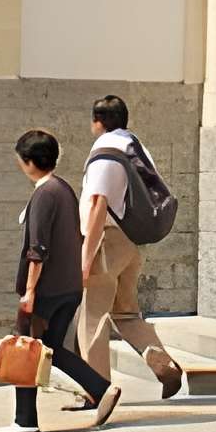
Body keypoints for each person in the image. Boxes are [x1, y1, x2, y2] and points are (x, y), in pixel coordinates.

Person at [75, 94, 186, 405]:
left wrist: (86, 257)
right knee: (126, 314)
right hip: (129, 243)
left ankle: (97, 391)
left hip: (106, 244)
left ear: (98, 122)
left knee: (92, 318)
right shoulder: (134, 145)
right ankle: (164, 366)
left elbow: (98, 205)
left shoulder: (105, 153)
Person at [5, 129, 114, 432]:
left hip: (45, 291)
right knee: (52, 348)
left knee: (26, 350)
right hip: (69, 288)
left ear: (27, 162)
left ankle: (24, 420)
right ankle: (100, 387)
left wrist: (28, 292)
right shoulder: (63, 189)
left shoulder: (43, 194)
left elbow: (37, 249)